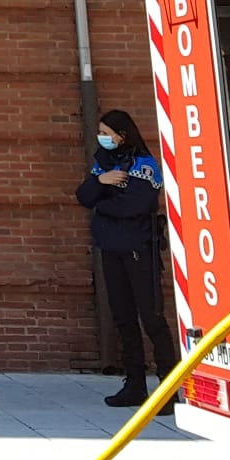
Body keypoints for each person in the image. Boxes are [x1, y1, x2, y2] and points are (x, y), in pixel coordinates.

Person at [77, 109, 176, 409]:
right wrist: (103, 182)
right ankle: (134, 384)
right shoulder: (103, 164)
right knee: (123, 318)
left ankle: (168, 389)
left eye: (108, 133)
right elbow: (83, 196)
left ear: (123, 135)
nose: (103, 138)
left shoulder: (143, 165)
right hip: (111, 249)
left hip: (139, 250)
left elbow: (138, 205)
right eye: (101, 133)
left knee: (152, 319)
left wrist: (103, 202)